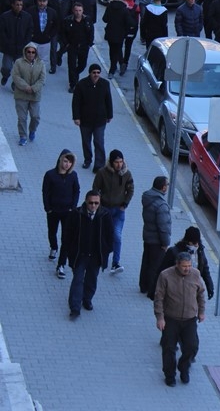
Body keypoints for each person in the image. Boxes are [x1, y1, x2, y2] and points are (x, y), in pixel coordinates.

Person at [154, 251, 207, 387]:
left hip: (190, 319)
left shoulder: (195, 274)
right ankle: (170, 375)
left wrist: (201, 312)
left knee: (192, 346)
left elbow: (201, 293)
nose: (187, 269)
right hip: (171, 318)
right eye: (184, 266)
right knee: (169, 348)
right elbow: (158, 298)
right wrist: (160, 318)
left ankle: (184, 368)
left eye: (189, 265)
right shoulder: (165, 275)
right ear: (177, 264)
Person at [62, 190, 113, 318]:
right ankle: (75, 307)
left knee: (92, 279)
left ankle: (87, 299)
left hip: (96, 255)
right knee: (78, 280)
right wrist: (70, 251)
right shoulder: (76, 214)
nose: (94, 206)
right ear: (86, 201)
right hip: (80, 255)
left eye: (96, 203)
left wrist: (106, 250)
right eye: (91, 203)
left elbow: (110, 235)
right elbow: (67, 235)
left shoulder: (105, 215)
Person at [91, 149, 134, 275]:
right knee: (102, 234)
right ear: (111, 162)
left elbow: (131, 189)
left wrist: (125, 204)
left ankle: (115, 263)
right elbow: (95, 189)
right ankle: (100, 258)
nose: (119, 164)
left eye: (121, 162)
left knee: (117, 236)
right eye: (116, 162)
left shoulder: (126, 174)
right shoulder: (102, 173)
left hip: (118, 210)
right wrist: (98, 205)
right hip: (104, 209)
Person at [151, 226, 214, 302]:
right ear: (187, 241)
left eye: (197, 242)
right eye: (193, 243)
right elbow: (161, 272)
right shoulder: (174, 252)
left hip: (193, 289)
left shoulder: (200, 251)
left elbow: (205, 269)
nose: (196, 245)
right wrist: (154, 290)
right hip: (176, 291)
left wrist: (210, 287)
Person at [43, 149, 80, 278]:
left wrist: (73, 207)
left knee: (66, 238)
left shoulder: (73, 176)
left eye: (70, 162)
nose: (67, 164)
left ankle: (61, 265)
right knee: (52, 232)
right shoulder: (50, 175)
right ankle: (53, 247)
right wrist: (48, 208)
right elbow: (45, 192)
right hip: (53, 211)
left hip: (68, 212)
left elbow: (77, 191)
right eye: (65, 161)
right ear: (60, 160)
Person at [72, 63, 113, 172]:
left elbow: (108, 100)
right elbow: (76, 102)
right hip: (85, 120)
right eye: (94, 73)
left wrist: (110, 115)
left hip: (100, 120)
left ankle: (99, 165)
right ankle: (88, 159)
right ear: (90, 73)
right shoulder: (81, 85)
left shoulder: (105, 84)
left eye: (98, 73)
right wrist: (76, 117)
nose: (96, 75)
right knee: (86, 141)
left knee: (99, 142)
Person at [139, 176, 171, 295]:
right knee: (155, 266)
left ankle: (143, 285)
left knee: (146, 262)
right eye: (167, 184)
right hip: (157, 240)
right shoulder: (161, 205)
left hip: (147, 235)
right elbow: (163, 227)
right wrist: (165, 243)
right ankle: (151, 290)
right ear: (163, 187)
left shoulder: (147, 197)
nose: (167, 186)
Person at [11, 41, 44, 145]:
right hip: (21, 95)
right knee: (22, 118)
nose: (30, 54)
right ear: (25, 52)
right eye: (28, 52)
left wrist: (33, 88)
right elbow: (16, 76)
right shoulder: (18, 62)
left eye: (33, 52)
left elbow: (42, 79)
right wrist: (25, 87)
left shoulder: (41, 64)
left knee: (35, 116)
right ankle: (23, 136)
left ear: (36, 53)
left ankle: (32, 130)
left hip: (35, 95)